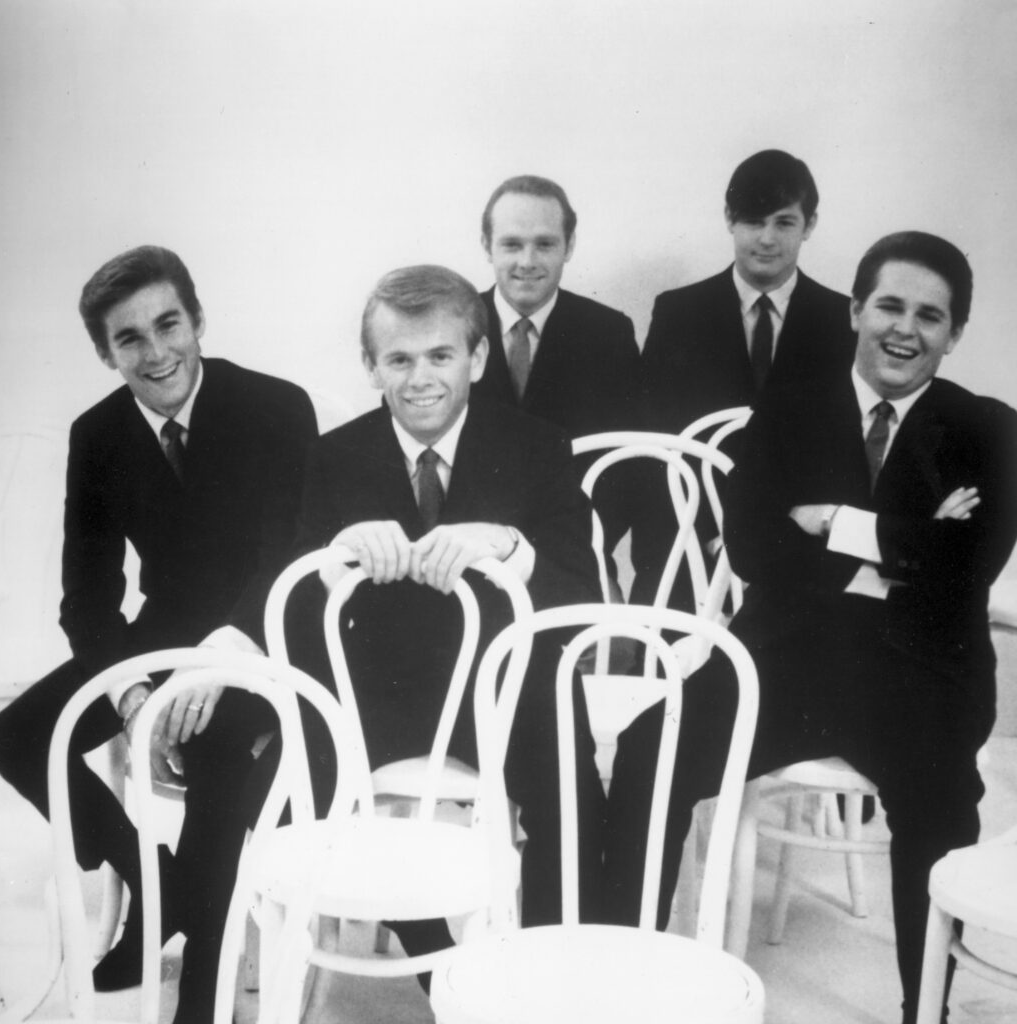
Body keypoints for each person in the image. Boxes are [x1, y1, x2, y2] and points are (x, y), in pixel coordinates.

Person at [603, 232, 1017, 1024]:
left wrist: (834, 524)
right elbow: (757, 548)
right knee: (654, 750)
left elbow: (973, 564)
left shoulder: (988, 430)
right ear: (856, 310)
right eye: (890, 305)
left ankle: (921, 1007)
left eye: (931, 316)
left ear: (955, 333)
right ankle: (628, 976)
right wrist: (911, 540)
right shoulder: (790, 408)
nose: (906, 329)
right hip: (785, 657)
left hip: (921, 675)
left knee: (940, 812)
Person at [225, 263, 607, 975]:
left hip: (504, 689)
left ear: (479, 357)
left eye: (441, 355)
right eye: (398, 359)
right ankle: (446, 976)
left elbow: (582, 600)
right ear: (370, 366)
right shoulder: (335, 456)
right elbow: (295, 598)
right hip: (380, 689)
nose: (421, 378)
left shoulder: (538, 446)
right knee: (275, 794)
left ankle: (556, 977)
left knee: (573, 799)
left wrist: (510, 547)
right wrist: (337, 558)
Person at [0, 246, 318, 1021]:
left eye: (169, 323)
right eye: (129, 337)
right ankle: (158, 882)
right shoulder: (98, 434)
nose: (157, 350)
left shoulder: (276, 405)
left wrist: (217, 666)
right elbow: (89, 597)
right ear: (106, 352)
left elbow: (288, 561)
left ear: (197, 320)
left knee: (213, 767)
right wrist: (134, 692)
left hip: (258, 633)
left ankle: (198, 1004)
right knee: (15, 734)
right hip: (159, 632)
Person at [631, 149, 856, 607]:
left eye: (784, 222)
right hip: (685, 554)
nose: (767, 239)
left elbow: (844, 459)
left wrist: (768, 542)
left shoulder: (842, 321)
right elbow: (655, 450)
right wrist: (707, 542)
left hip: (799, 563)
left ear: (809, 225)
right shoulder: (678, 314)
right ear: (729, 219)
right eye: (753, 221)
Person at [474, 175, 642, 577]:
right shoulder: (453, 328)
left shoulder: (608, 334)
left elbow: (628, 467)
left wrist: (576, 546)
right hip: (471, 558)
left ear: (569, 246)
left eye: (545, 244)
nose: (527, 262)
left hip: (573, 558)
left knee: (617, 642)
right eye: (512, 244)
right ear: (486, 245)